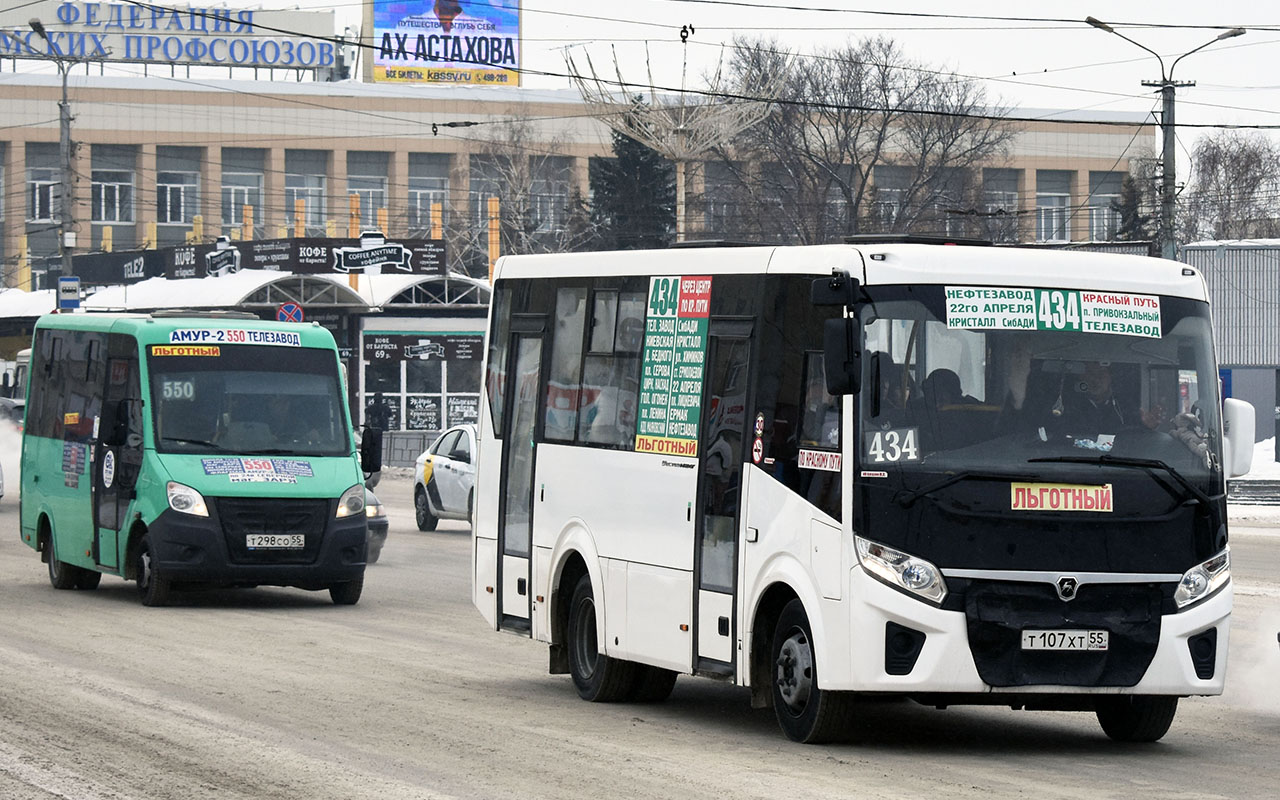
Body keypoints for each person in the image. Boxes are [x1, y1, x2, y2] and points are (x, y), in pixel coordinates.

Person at [1060, 361, 1162, 433]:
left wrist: (1146, 426)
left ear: (1110, 376)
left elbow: (1135, 439)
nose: (1096, 379)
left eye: (1101, 373)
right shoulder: (1066, 405)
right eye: (1090, 373)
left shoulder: (1127, 406)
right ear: (1081, 377)